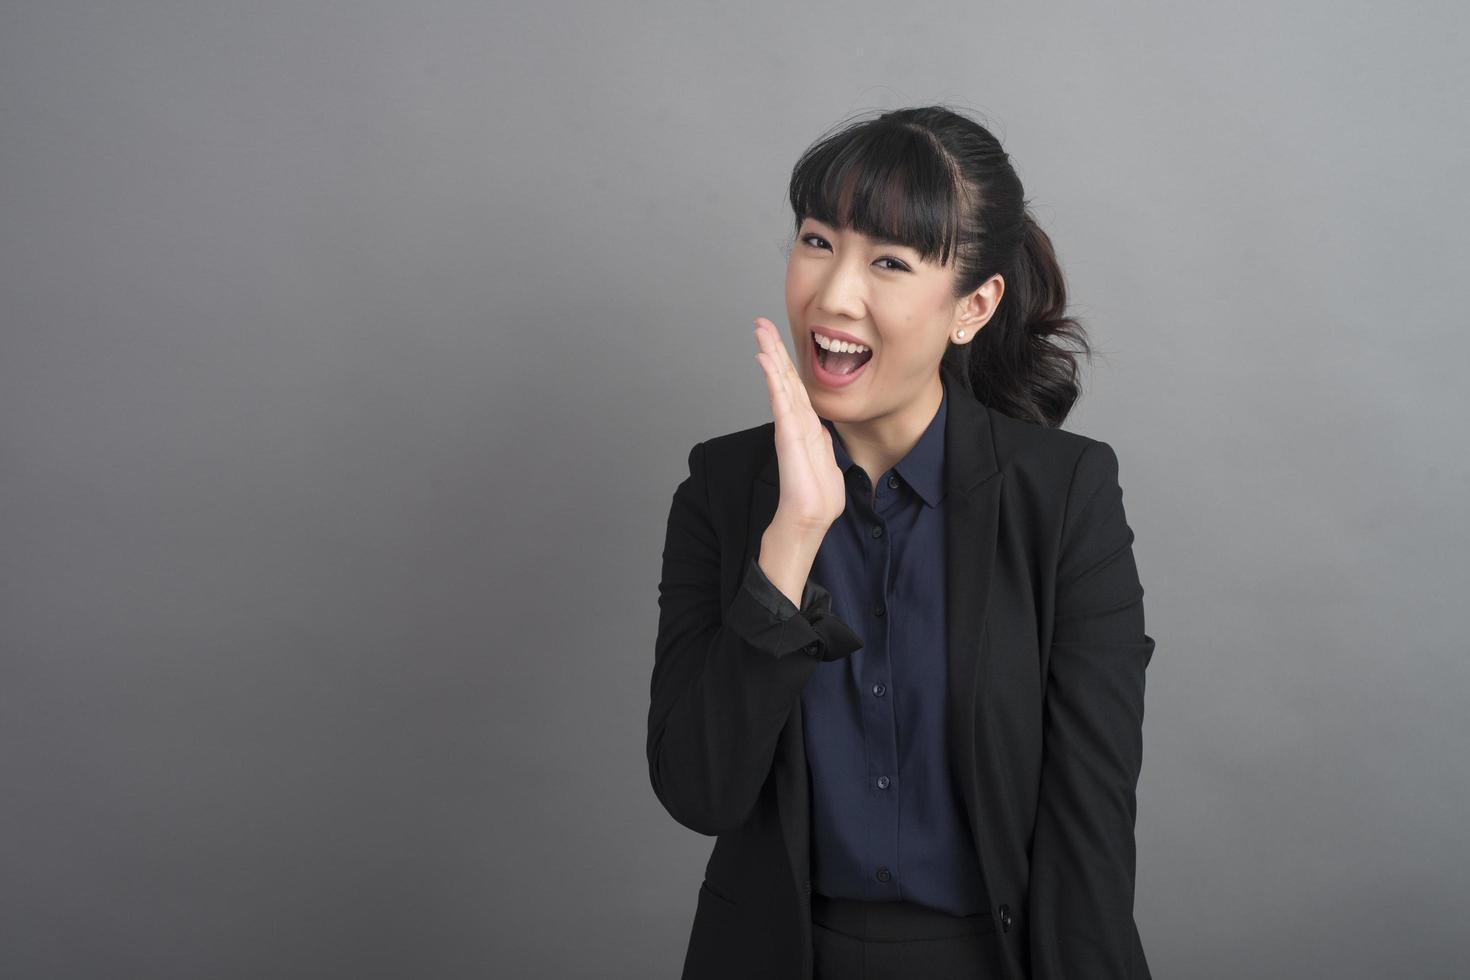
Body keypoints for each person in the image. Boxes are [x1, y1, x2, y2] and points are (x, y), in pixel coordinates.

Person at [647, 105, 1156, 980]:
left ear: (974, 306)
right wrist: (794, 537)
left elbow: (1089, 831)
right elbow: (701, 791)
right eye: (817, 241)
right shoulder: (724, 491)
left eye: (888, 260)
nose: (834, 293)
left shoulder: (1065, 497)